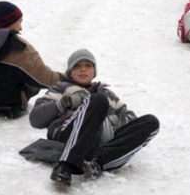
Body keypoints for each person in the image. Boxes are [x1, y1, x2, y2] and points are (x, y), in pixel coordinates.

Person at [29, 49, 160, 186]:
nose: (83, 70)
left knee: (151, 122)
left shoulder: (106, 93)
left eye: (88, 66)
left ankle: (97, 164)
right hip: (68, 134)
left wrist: (112, 121)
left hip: (100, 140)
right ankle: (66, 165)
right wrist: (64, 103)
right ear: (70, 71)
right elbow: (36, 119)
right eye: (77, 66)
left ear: (94, 71)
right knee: (98, 100)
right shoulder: (60, 88)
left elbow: (130, 117)